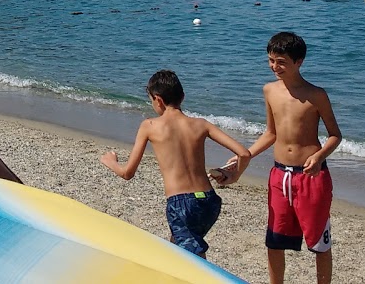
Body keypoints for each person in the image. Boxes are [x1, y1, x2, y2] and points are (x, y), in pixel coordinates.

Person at [214, 31, 342, 284]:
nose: (275, 67)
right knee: (274, 240)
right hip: (279, 176)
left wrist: (318, 157)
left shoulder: (316, 95)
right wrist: (245, 155)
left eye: (281, 61)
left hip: (311, 177)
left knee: (318, 242)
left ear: (299, 62)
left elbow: (335, 135)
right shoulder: (269, 90)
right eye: (271, 60)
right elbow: (271, 133)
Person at [100, 70, 251, 258]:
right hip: (209, 201)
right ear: (182, 97)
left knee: (192, 258)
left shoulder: (150, 126)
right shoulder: (201, 124)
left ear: (158, 100)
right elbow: (244, 153)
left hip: (181, 204)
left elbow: (127, 172)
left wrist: (110, 161)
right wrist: (234, 175)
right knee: (181, 245)